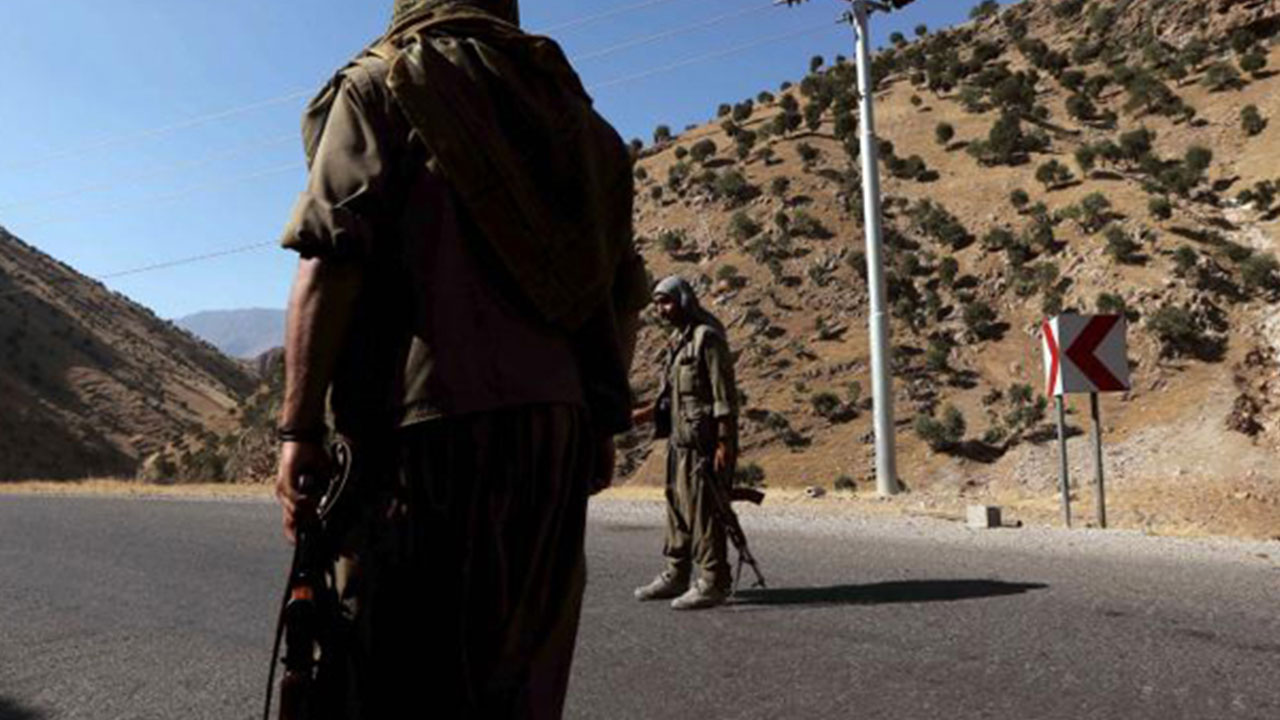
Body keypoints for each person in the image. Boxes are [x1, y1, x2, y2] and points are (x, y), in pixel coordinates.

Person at [272, 0, 648, 716]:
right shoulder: (585, 128)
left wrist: (297, 430)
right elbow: (621, 294)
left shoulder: (382, 84)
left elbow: (329, 258)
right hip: (558, 435)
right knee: (522, 678)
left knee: (397, 674)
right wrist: (599, 423)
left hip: (428, 434)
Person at [631, 275, 741, 611]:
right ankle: (676, 574)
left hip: (705, 445)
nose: (662, 310)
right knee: (677, 510)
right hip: (679, 443)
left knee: (705, 513)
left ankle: (712, 581)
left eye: (667, 302)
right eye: (657, 305)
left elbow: (724, 397)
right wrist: (642, 415)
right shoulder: (678, 342)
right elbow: (673, 398)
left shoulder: (706, 338)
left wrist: (724, 443)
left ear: (684, 299)